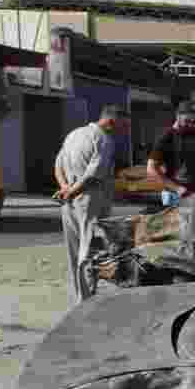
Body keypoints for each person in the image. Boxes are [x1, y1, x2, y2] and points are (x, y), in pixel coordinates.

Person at [53, 104, 130, 304]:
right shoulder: (104, 139)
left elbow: (58, 164)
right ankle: (85, 300)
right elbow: (93, 175)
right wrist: (72, 191)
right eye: (123, 125)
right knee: (89, 250)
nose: (124, 130)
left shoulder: (74, 134)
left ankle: (79, 294)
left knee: (74, 249)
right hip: (90, 199)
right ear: (111, 121)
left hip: (69, 199)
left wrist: (65, 189)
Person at [147, 101, 195, 207]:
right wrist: (177, 188)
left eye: (194, 122)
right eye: (187, 121)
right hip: (174, 195)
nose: (190, 125)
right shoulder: (166, 137)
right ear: (177, 116)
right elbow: (151, 169)